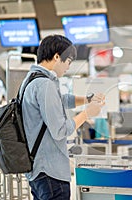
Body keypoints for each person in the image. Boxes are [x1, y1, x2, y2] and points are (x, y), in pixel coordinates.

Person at [19, 35, 104, 199]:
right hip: (51, 171)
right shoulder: (45, 84)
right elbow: (60, 130)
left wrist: (87, 99)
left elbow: (59, 100)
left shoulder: (31, 80)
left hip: (38, 168)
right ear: (57, 56)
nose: (68, 67)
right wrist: (87, 113)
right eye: (69, 61)